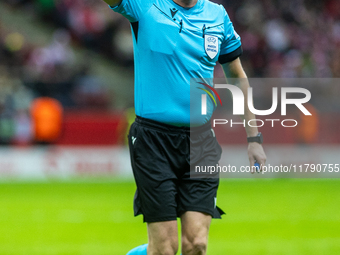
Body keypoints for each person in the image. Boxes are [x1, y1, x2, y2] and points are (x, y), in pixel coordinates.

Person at [103, 0, 267, 254]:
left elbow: (237, 76)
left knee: (196, 245)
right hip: (153, 141)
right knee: (166, 248)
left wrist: (254, 138)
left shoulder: (217, 15)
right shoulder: (145, 6)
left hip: (200, 142)